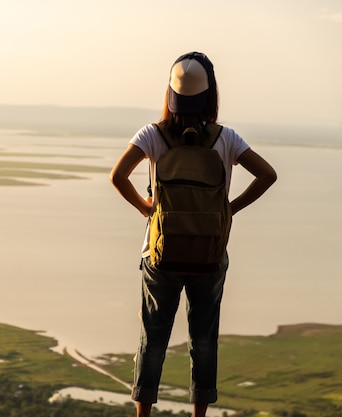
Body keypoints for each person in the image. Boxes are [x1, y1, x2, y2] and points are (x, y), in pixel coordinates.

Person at [110, 51, 277, 417]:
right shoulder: (227, 138)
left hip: (160, 254)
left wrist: (145, 208)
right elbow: (268, 175)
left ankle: (143, 415)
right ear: (210, 94)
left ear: (170, 94)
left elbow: (117, 177)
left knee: (153, 339)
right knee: (203, 339)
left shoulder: (153, 135)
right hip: (210, 254)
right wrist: (228, 210)